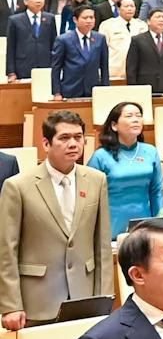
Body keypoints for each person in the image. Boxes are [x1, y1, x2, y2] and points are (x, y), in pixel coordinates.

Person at [0, 110, 110, 327]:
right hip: (37, 300)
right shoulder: (18, 186)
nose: (73, 144)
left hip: (84, 296)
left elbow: (103, 246)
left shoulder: (97, 181)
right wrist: (11, 305)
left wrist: (104, 299)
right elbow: (6, 250)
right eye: (64, 138)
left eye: (78, 137)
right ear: (46, 144)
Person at [92, 101, 163, 238]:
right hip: (111, 226)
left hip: (144, 226)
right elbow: (91, 197)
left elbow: (156, 191)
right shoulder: (100, 156)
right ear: (114, 125)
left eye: (138, 115)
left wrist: (159, 222)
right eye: (129, 116)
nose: (136, 119)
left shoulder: (150, 151)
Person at [49, 2, 109, 99]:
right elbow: (56, 67)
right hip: (71, 89)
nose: (89, 21)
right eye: (85, 18)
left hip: (93, 89)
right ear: (75, 20)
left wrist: (105, 89)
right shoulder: (63, 40)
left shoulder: (100, 38)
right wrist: (56, 92)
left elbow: (104, 66)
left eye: (91, 17)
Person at [126, 6, 163, 93]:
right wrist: (133, 89)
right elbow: (131, 68)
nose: (161, 20)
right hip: (144, 88)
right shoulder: (137, 40)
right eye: (158, 17)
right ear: (148, 21)